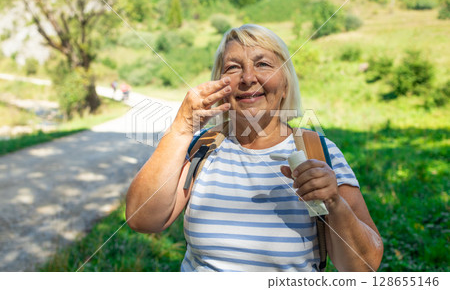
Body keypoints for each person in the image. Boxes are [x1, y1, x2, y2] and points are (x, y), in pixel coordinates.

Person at [126, 24, 383, 272]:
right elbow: (141, 219)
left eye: (262, 64)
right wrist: (182, 128)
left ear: (285, 84)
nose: (248, 78)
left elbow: (363, 267)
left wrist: (335, 203)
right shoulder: (203, 147)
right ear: (220, 85)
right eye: (233, 67)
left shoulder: (318, 152)